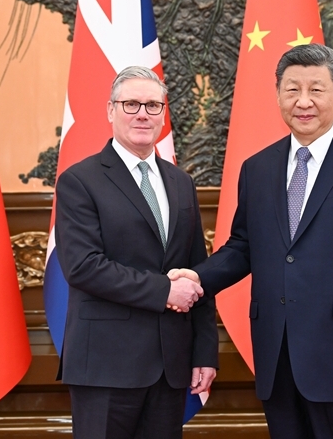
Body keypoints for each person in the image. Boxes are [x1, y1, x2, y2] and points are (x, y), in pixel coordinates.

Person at [170, 44, 333, 439]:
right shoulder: (257, 168)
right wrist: (198, 278)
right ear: (278, 95)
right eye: (292, 90)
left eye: (316, 90)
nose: (304, 102)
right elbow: (243, 246)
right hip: (279, 356)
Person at [54, 65, 218, 439]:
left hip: (170, 366)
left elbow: (197, 270)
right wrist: (165, 291)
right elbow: (83, 267)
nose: (143, 114)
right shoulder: (79, 181)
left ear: (163, 114)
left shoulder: (181, 182)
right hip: (105, 366)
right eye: (131, 104)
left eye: (153, 105)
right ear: (110, 111)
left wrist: (205, 352)